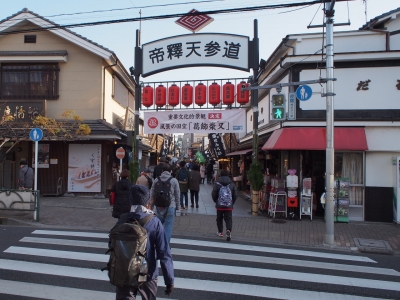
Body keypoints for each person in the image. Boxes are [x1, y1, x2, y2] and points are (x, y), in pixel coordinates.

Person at [115, 185, 174, 300]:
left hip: (125, 272)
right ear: (148, 202)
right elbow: (164, 253)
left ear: (130, 201)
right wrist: (169, 280)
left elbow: (112, 245)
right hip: (148, 273)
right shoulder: (154, 222)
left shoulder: (122, 220)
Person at [150, 164, 180, 244]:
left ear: (162, 171)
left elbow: (152, 193)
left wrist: (151, 205)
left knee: (158, 225)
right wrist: (178, 207)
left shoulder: (156, 180)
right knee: (168, 227)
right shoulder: (174, 180)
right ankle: (165, 246)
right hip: (171, 206)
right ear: (170, 171)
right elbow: (177, 195)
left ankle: (155, 242)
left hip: (159, 206)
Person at [211, 169, 238, 241]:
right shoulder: (232, 184)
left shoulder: (217, 183)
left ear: (220, 175)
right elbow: (235, 195)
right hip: (229, 205)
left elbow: (214, 194)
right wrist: (231, 202)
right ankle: (228, 230)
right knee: (228, 219)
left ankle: (220, 232)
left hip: (220, 205)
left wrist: (216, 201)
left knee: (219, 218)